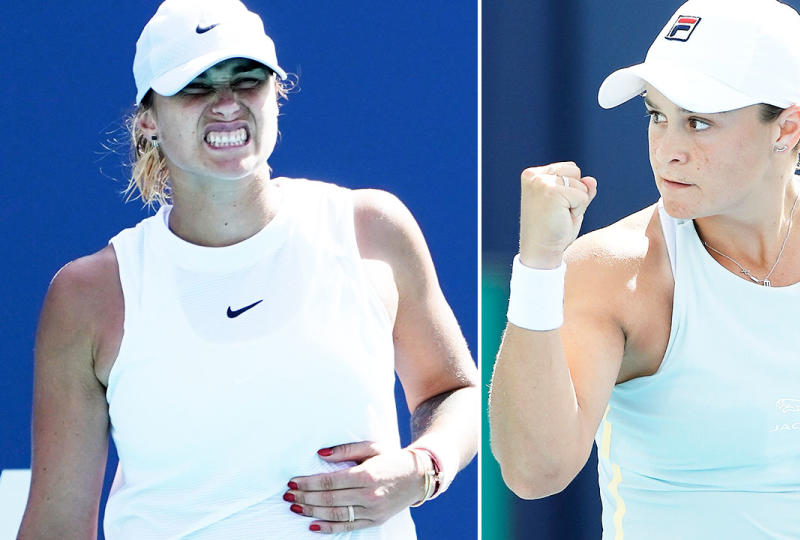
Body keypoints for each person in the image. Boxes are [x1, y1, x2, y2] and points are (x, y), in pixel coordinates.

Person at [488, 0, 800, 538]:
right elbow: (533, 472)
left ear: (786, 128)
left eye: (698, 123)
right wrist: (540, 268)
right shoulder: (611, 272)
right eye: (656, 115)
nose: (667, 151)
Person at [17, 0, 478, 538]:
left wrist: (423, 468)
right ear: (148, 121)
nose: (227, 104)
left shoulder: (371, 228)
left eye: (246, 80)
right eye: (195, 86)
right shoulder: (88, 296)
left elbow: (454, 392)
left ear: (276, 96)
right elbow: (56, 524)